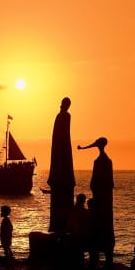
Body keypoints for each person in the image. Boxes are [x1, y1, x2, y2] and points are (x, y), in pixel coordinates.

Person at [78, 137, 115, 270]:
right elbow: (109, 183)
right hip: (104, 199)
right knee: (104, 226)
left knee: (99, 226)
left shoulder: (100, 162)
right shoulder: (106, 161)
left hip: (101, 197)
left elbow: (97, 181)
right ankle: (107, 259)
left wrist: (95, 188)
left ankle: (99, 259)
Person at [47, 97, 76, 233]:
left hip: (61, 154)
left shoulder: (62, 116)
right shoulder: (63, 116)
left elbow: (64, 136)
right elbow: (62, 136)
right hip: (61, 153)